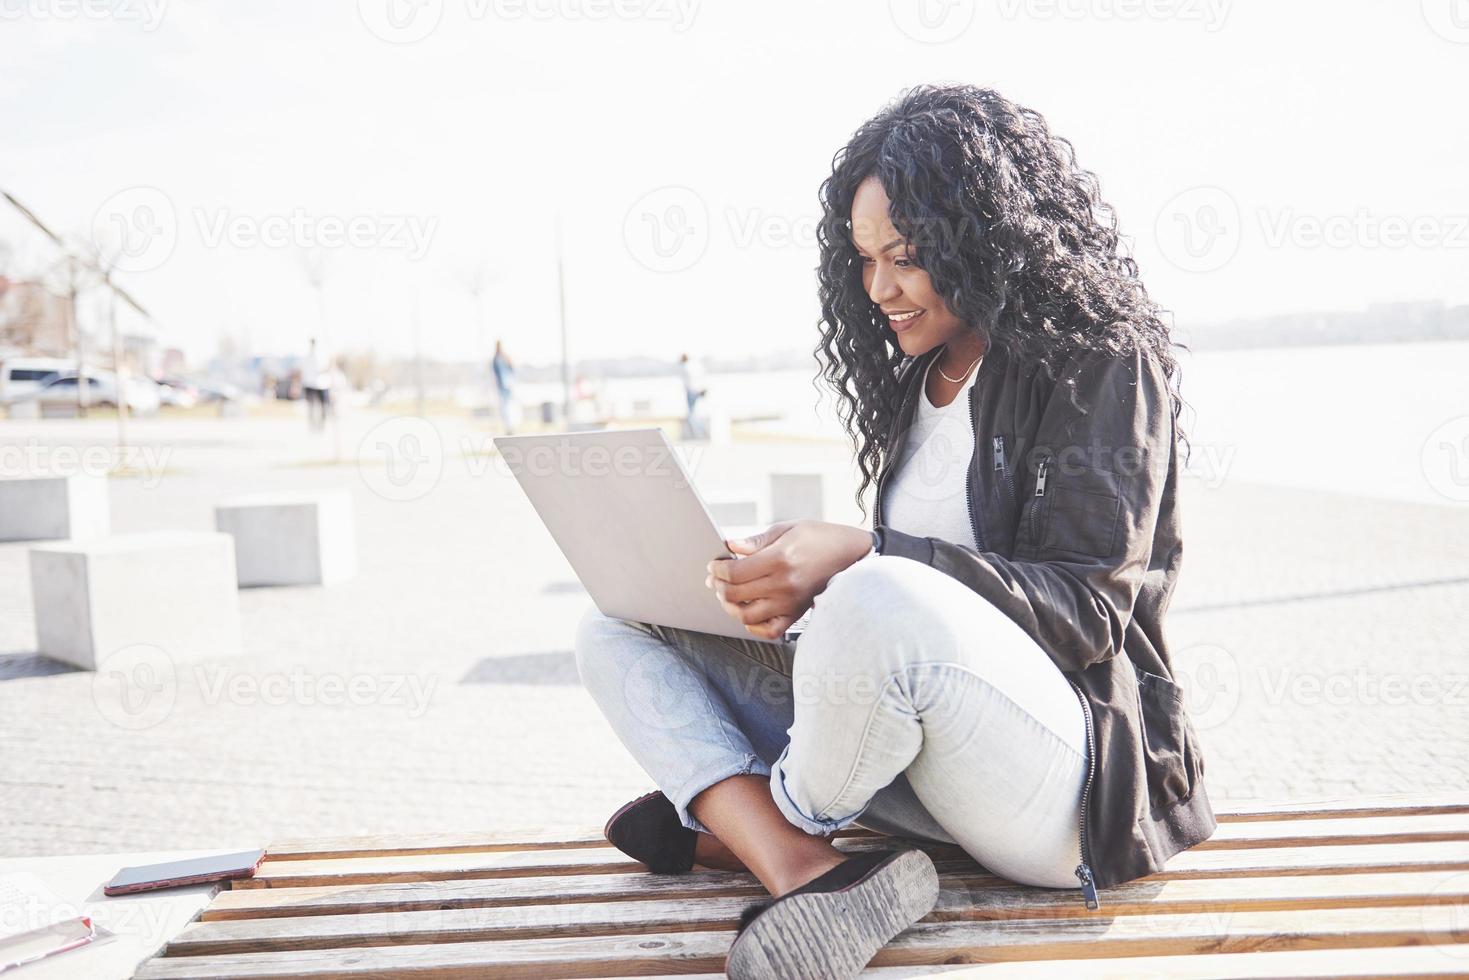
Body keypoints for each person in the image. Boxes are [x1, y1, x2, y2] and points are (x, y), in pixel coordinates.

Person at [574, 85, 1214, 979]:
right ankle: (806, 869)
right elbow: (899, 614)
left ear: (984, 239)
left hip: (1067, 787)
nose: (880, 288)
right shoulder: (917, 379)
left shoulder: (1102, 362)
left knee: (875, 592)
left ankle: (747, 821)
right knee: (618, 628)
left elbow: (1086, 611)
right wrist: (782, 580)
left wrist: (864, 559)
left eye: (907, 256)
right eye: (865, 259)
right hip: (923, 774)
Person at [301, 338, 331, 431]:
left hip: (322, 384)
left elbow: (326, 368)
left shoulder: (323, 355)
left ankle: (321, 424)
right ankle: (313, 425)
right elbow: (304, 371)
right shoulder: (307, 356)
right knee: (311, 405)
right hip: (310, 384)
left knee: (323, 405)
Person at [491, 340, 518, 434]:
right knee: (506, 407)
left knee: (507, 407)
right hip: (505, 387)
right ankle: (509, 426)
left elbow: (512, 371)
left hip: (507, 386)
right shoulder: (498, 359)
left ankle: (510, 426)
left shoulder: (501, 359)